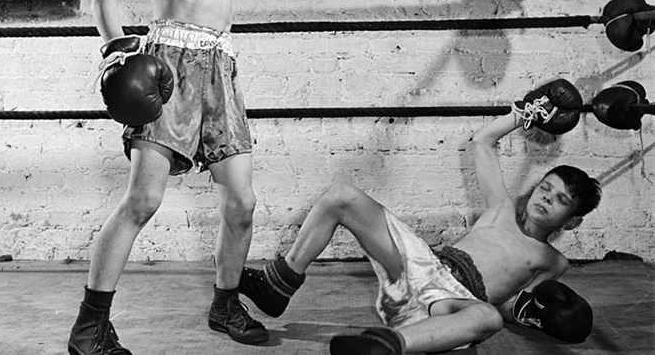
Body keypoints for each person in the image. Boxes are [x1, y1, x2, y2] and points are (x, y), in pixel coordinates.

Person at [67, 0, 400, 355]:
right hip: (168, 68)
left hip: (220, 67)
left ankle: (225, 305)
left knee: (242, 202)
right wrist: (118, 53)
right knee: (142, 201)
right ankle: (90, 328)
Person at [239, 80, 602, 354]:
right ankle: (278, 285)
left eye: (560, 200)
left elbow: (508, 303)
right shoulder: (501, 209)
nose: (545, 199)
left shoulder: (553, 261)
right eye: (545, 188)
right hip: (423, 265)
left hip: (453, 301)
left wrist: (535, 315)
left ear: (571, 221)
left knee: (487, 318)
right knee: (342, 195)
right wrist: (525, 113)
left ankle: (387, 346)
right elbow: (481, 142)